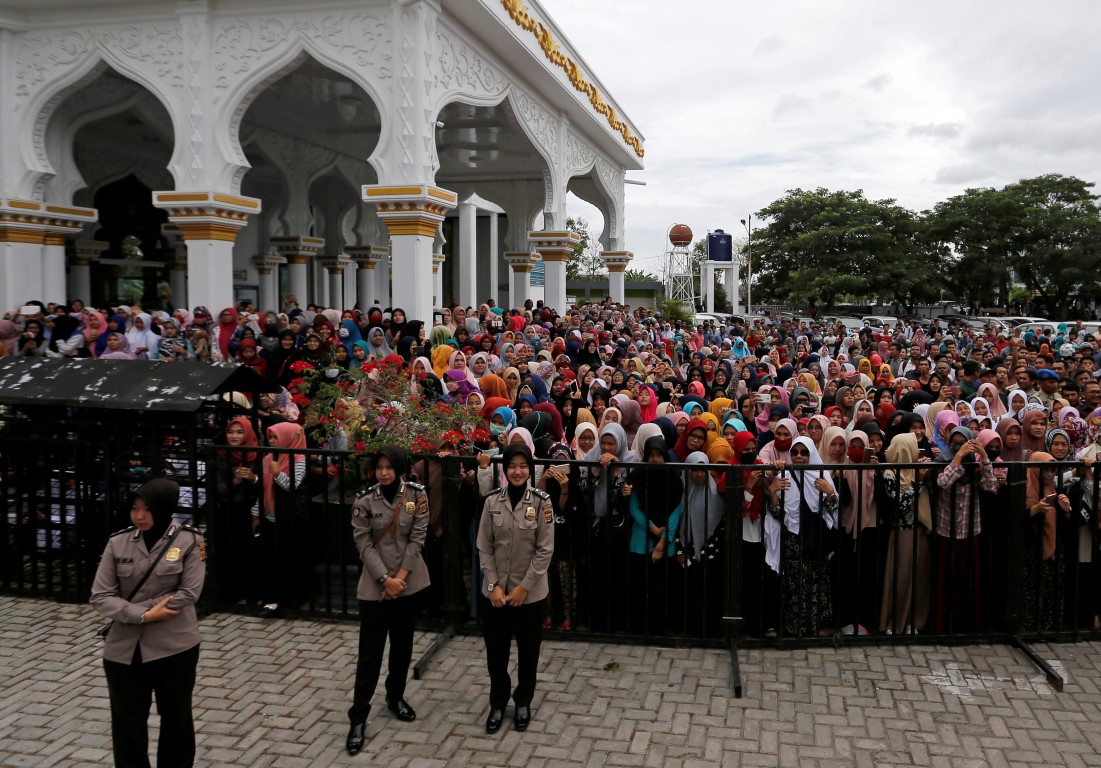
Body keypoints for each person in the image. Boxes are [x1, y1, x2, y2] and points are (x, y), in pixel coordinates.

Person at [90, 478, 206, 768]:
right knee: (127, 727)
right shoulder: (118, 542)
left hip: (174, 647)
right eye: (134, 508)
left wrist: (132, 610)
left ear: (164, 509)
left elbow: (189, 593)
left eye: (147, 509)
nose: (139, 516)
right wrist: (141, 615)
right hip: (124, 651)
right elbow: (100, 595)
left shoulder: (190, 541)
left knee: (177, 721)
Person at [346, 446, 430, 756]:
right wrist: (386, 580)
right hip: (376, 585)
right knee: (370, 653)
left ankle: (395, 696)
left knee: (403, 645)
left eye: (389, 467)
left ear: (400, 469)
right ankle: (358, 717)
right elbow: (363, 543)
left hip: (407, 583)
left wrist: (400, 579)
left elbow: (418, 537)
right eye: (379, 467)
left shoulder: (416, 495)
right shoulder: (365, 499)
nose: (383, 472)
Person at [476, 443, 554, 735]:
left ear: (530, 468)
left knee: (528, 651)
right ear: (505, 470)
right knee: (496, 653)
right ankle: (498, 703)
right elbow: (483, 546)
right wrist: (494, 584)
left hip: (529, 595)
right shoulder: (492, 502)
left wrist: (524, 587)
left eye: (523, 466)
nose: (518, 471)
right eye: (512, 466)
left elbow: (545, 551)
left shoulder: (541, 503)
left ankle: (523, 701)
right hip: (496, 595)